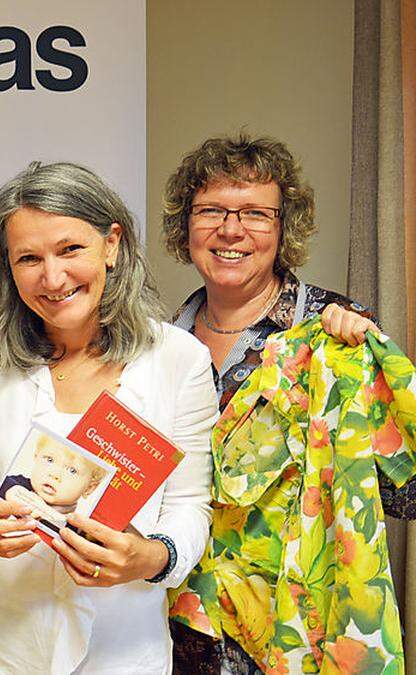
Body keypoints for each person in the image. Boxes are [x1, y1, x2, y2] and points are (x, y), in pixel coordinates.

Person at [0, 162, 219, 674]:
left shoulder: (178, 359)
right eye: (29, 258)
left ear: (112, 245)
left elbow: (190, 506)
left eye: (70, 249)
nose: (52, 278)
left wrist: (151, 557)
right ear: (7, 266)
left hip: (122, 657)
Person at [160, 134, 416, 674]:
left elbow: (403, 494)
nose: (231, 230)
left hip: (295, 634)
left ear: (284, 227)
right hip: (179, 634)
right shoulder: (156, 345)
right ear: (186, 226)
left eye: (254, 213)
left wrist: (359, 376)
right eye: (210, 211)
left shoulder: (331, 330)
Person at [0, 432, 107, 535]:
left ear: (89, 488)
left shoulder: (74, 526)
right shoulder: (18, 484)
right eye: (49, 460)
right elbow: (1, 484)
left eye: (72, 471)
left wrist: (49, 514)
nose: (55, 474)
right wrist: (13, 491)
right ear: (36, 457)